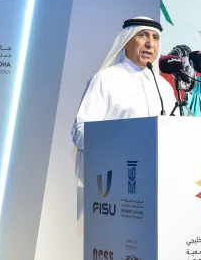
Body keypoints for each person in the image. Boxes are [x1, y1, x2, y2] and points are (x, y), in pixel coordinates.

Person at [71, 16, 177, 218]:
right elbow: (80, 131)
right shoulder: (106, 79)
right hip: (113, 187)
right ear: (126, 42)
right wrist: (118, 143)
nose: (150, 43)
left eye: (155, 37)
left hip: (158, 185)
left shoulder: (163, 87)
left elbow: (175, 131)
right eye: (142, 35)